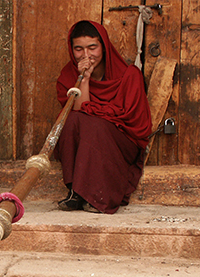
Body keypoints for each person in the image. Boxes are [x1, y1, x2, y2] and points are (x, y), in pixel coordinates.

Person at [52, 20, 152, 214]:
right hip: (89, 135)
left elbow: (134, 121)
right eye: (78, 49)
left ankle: (99, 196)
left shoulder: (129, 75)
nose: (86, 55)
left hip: (121, 140)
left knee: (94, 125)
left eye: (92, 47)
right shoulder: (68, 75)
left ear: (104, 47)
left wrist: (100, 116)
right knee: (72, 120)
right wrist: (85, 79)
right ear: (71, 50)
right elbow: (80, 113)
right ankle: (76, 192)